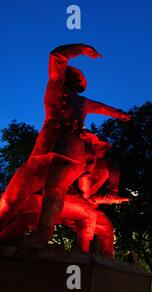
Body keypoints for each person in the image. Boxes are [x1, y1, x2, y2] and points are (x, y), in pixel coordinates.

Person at [0, 44, 130, 244]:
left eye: (70, 74)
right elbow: (57, 56)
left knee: (54, 189)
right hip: (43, 149)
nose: (66, 75)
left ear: (76, 82)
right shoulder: (55, 89)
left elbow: (103, 108)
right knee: (15, 191)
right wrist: (81, 49)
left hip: (70, 152)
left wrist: (120, 114)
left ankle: (42, 235)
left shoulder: (83, 103)